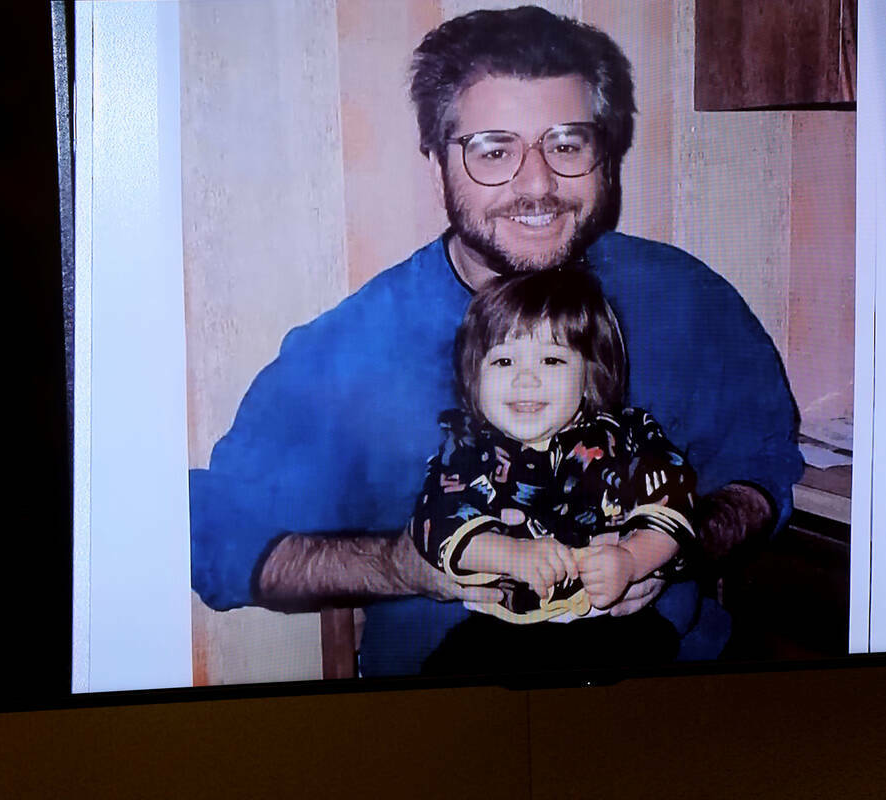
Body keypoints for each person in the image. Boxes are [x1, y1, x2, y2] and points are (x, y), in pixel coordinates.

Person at [189, 6, 804, 677]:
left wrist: (668, 551)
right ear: (437, 168)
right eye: (494, 150)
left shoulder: (682, 298)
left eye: (566, 144)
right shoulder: (356, 349)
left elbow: (761, 466)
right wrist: (404, 566)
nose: (537, 183)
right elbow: (218, 537)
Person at [413, 268, 696, 674]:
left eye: (551, 358)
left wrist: (631, 560)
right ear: (474, 377)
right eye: (504, 359)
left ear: (589, 374)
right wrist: (509, 554)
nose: (525, 378)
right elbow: (434, 521)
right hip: (500, 633)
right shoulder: (467, 447)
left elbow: (674, 505)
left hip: (614, 628)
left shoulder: (629, 437)